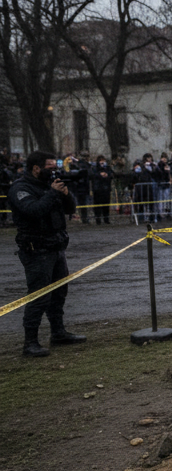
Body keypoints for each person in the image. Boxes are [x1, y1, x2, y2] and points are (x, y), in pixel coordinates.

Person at [9, 151, 87, 356]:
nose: (55, 172)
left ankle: (58, 333)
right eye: (50, 168)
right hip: (36, 249)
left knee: (59, 293)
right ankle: (30, 342)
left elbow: (70, 208)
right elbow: (33, 210)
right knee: (39, 297)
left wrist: (65, 192)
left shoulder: (49, 186)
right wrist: (52, 193)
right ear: (36, 168)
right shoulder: (21, 188)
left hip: (56, 246)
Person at [90, 156, 114, 224]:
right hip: (97, 190)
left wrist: (107, 175)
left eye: (103, 160)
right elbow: (92, 175)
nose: (102, 162)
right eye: (101, 161)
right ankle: (98, 219)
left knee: (106, 205)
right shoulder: (94, 168)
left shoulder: (108, 168)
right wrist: (100, 175)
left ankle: (106, 219)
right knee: (97, 205)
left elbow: (112, 174)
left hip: (106, 189)